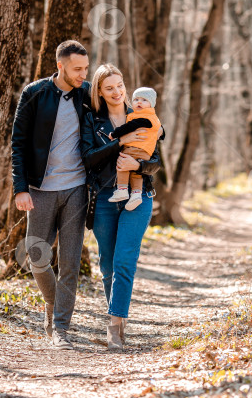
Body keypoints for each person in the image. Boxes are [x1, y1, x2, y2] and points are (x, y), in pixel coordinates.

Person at [10, 40, 90, 350]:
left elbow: (117, 113)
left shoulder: (86, 95)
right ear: (60, 66)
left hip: (76, 189)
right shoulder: (34, 93)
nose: (83, 74)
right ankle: (54, 305)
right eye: (77, 69)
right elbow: (18, 142)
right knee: (37, 256)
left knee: (69, 262)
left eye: (85, 68)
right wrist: (19, 188)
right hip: (40, 189)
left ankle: (60, 330)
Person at [81, 64, 163, 351]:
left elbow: (156, 162)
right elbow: (88, 159)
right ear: (100, 92)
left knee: (124, 260)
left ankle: (114, 325)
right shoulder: (93, 120)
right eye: (109, 88)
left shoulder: (141, 114)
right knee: (106, 265)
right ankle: (117, 313)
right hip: (104, 196)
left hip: (140, 197)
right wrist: (120, 144)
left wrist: (137, 164)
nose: (117, 92)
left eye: (120, 85)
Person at [107, 87, 162, 210]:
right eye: (136, 99)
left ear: (151, 104)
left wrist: (114, 134)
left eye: (144, 100)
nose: (139, 102)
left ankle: (122, 189)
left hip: (136, 148)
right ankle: (136, 195)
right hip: (145, 152)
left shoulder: (143, 117)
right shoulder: (152, 117)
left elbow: (130, 126)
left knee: (123, 163)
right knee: (136, 173)